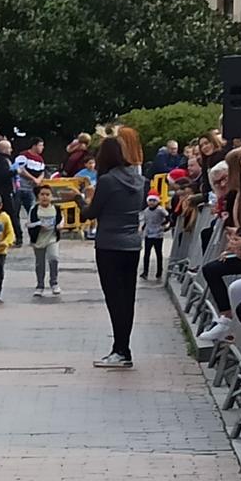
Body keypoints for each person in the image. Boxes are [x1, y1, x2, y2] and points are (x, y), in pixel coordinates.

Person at [83, 128, 146, 368]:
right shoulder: (138, 179)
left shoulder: (108, 181)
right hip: (132, 244)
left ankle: (120, 349)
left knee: (114, 298)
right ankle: (124, 347)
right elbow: (139, 206)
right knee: (127, 297)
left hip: (109, 243)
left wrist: (81, 199)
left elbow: (92, 212)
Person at [26, 183, 63, 298]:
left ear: (51, 196)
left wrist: (60, 225)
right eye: (42, 194)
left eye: (47, 194)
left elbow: (62, 219)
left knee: (54, 258)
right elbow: (28, 224)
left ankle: (54, 282)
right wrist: (39, 224)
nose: (45, 197)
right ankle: (40, 285)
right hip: (38, 240)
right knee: (40, 264)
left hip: (52, 238)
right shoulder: (34, 209)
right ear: (38, 196)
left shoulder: (56, 209)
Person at [139, 192, 170, 280]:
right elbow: (146, 221)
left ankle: (159, 271)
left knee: (158, 253)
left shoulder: (160, 210)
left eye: (154, 201)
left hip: (158, 234)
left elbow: (168, 218)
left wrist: (163, 225)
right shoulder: (146, 211)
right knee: (146, 254)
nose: (152, 202)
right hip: (148, 234)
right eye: (150, 201)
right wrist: (143, 229)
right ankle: (145, 272)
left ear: (157, 201)